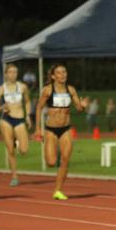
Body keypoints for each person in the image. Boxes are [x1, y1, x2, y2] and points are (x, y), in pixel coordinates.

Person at [34, 63, 89, 200]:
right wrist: (38, 129)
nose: (62, 74)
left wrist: (83, 106)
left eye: (64, 72)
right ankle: (53, 156)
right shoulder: (48, 90)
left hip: (66, 129)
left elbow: (78, 108)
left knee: (65, 160)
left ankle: (58, 191)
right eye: (59, 72)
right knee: (51, 162)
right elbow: (39, 108)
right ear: (53, 76)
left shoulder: (71, 90)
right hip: (51, 130)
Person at [0, 64, 32, 186]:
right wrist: (2, 107)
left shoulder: (23, 87)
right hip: (6, 120)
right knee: (10, 150)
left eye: (15, 72)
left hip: (19, 119)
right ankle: (14, 176)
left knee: (24, 150)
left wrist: (28, 116)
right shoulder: (1, 89)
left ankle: (17, 141)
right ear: (6, 74)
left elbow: (28, 102)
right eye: (11, 72)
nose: (13, 74)